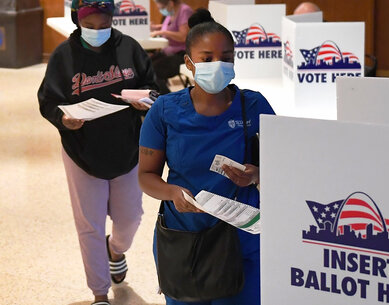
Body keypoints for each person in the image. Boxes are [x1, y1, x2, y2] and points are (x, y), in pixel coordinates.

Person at [138, 8, 275, 305]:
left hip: (243, 241)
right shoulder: (165, 111)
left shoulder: (254, 106)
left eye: (226, 58)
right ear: (188, 63)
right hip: (185, 240)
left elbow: (284, 163)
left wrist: (257, 174)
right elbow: (146, 177)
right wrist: (173, 192)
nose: (218, 65)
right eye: (207, 58)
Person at [37, 1, 157, 304]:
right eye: (90, 27)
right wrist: (64, 120)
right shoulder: (64, 56)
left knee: (130, 219)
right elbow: (48, 100)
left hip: (128, 149)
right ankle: (100, 293)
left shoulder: (129, 48)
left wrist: (144, 100)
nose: (97, 32)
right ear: (78, 20)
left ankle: (115, 249)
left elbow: (154, 88)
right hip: (82, 152)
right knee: (89, 225)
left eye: (104, 26)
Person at [149, 0, 194, 94]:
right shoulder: (172, 12)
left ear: (170, 3)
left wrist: (162, 32)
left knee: (153, 71)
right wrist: (156, 27)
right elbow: (171, 27)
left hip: (182, 55)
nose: (160, 10)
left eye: (161, 8)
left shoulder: (184, 11)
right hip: (168, 52)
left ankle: (166, 98)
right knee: (146, 65)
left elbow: (183, 36)